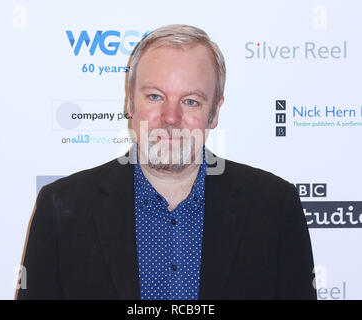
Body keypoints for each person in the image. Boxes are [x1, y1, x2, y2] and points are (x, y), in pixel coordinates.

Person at [16, 24, 316, 300]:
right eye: (156, 96)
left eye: (191, 101)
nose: (171, 117)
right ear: (130, 102)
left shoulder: (275, 207)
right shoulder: (62, 207)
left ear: (214, 112)